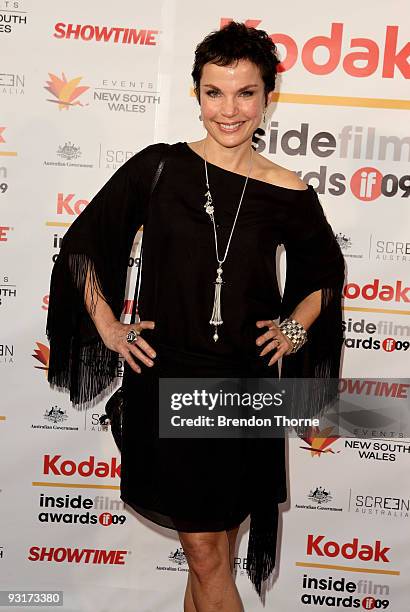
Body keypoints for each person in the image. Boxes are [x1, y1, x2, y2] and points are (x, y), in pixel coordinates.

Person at [46, 21, 345, 612]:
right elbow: (82, 244)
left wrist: (294, 328)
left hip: (244, 386)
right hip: (168, 378)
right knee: (207, 552)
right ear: (196, 94)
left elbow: (325, 277)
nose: (228, 110)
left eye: (245, 93)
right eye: (214, 92)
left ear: (267, 98)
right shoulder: (159, 168)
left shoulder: (288, 190)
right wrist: (108, 326)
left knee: (216, 551)